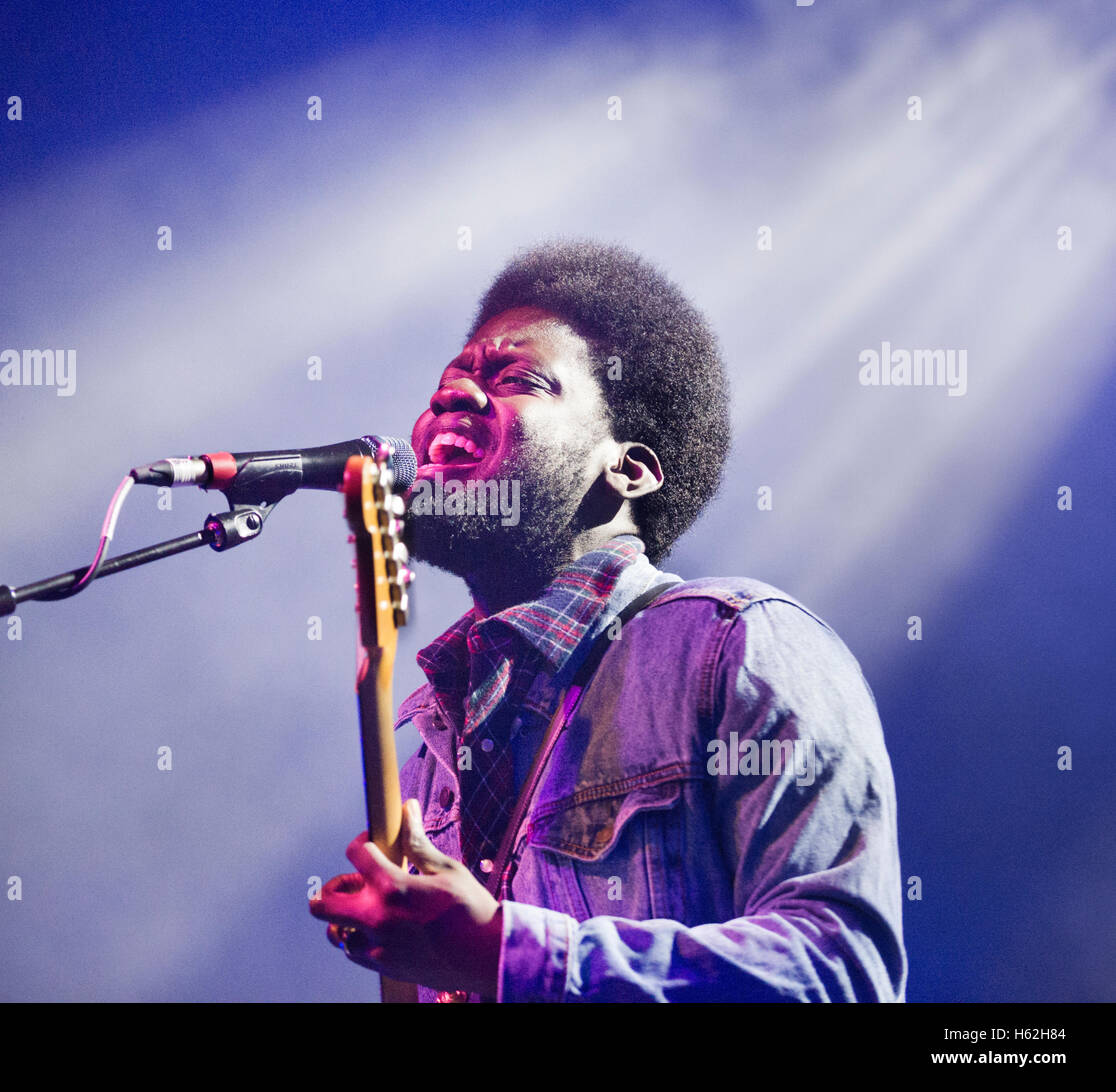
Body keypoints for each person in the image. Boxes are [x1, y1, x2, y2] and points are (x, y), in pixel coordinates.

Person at [309, 239, 906, 1002]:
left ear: (628, 468)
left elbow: (838, 972)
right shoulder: (431, 741)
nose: (448, 401)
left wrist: (498, 952)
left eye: (517, 378)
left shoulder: (739, 643)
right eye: (446, 384)